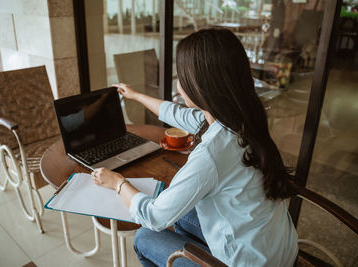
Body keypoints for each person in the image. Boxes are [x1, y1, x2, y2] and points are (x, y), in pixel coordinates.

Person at [91, 27, 298, 266]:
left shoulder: (212, 152)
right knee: (184, 214)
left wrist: (118, 183)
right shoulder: (242, 117)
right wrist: (136, 95)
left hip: (246, 262)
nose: (179, 85)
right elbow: (175, 113)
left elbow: (154, 217)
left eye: (182, 77)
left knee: (145, 236)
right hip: (277, 249)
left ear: (201, 85)